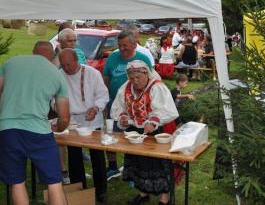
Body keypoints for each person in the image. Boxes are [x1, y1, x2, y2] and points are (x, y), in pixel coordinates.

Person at [0, 41, 70, 204]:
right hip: (39, 132)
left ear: (33, 52)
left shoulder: (10, 62)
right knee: (54, 183)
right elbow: (64, 117)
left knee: (17, 183)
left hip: (8, 129)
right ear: (52, 55)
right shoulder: (56, 73)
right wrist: (59, 127)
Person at [111, 60, 179, 205]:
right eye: (132, 78)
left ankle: (164, 199)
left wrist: (153, 121)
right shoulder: (125, 88)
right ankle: (143, 193)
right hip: (134, 133)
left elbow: (167, 110)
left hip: (155, 132)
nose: (135, 81)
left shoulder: (157, 87)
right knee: (139, 163)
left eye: (139, 78)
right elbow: (119, 108)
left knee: (158, 165)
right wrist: (123, 117)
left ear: (147, 74)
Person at [58, 49, 109, 203]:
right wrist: (56, 105)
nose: (66, 68)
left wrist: (95, 108)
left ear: (76, 60)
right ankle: (78, 189)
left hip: (92, 118)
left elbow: (102, 94)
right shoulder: (60, 75)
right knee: (74, 157)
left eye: (68, 64)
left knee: (97, 156)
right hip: (71, 120)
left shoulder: (92, 73)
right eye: (63, 65)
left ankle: (101, 190)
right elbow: (54, 95)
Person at [103, 30, 153, 180]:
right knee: (111, 134)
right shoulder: (112, 57)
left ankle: (133, 171)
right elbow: (106, 77)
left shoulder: (143, 59)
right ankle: (112, 167)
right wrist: (110, 96)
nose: (122, 49)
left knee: (134, 137)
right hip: (115, 103)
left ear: (134, 44)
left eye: (125, 45)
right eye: (119, 45)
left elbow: (150, 81)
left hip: (137, 104)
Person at [51, 27, 89, 184]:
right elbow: (51, 72)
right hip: (59, 100)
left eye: (75, 40)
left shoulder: (79, 54)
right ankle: (63, 170)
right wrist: (59, 54)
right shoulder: (53, 55)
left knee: (75, 135)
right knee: (61, 136)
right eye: (70, 41)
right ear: (60, 41)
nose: (73, 44)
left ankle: (77, 169)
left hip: (76, 100)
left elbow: (84, 71)